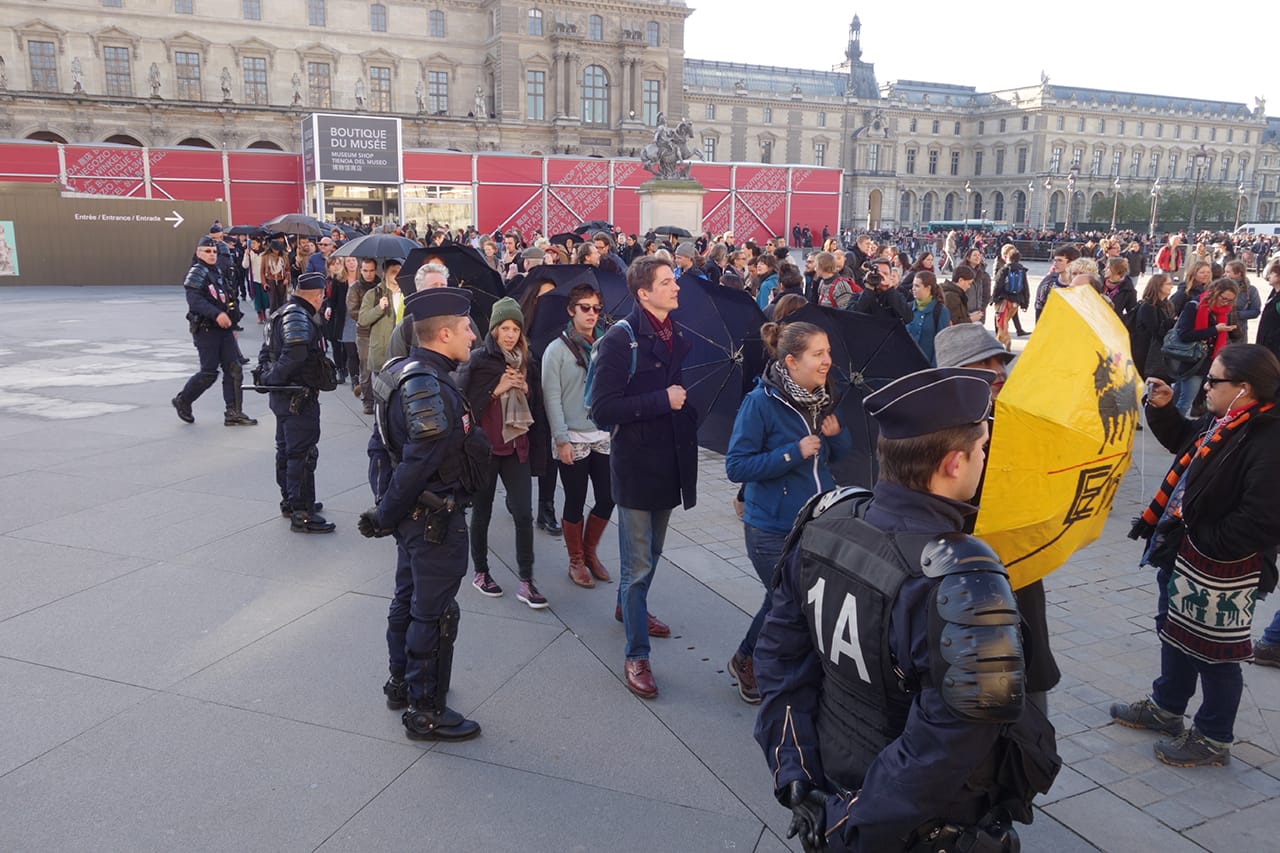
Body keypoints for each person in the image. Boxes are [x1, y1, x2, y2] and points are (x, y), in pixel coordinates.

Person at [754, 367, 1057, 853]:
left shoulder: (825, 521)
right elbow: (945, 750)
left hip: (837, 782)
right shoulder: (960, 580)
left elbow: (779, 659)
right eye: (982, 448)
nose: (986, 458)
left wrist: (796, 772)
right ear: (955, 463)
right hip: (914, 826)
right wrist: (846, 824)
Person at [1114, 344, 1280, 765]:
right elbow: (1185, 442)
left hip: (1221, 566)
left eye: (1214, 380)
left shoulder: (1267, 437)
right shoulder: (1227, 418)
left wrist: (1202, 539)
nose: (1205, 385)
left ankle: (1213, 737)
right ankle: (1166, 706)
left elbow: (1261, 519)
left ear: (1244, 388)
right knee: (1173, 628)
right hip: (1183, 551)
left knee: (1216, 652)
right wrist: (1165, 409)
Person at [359, 287, 490, 741]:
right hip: (433, 519)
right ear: (446, 333)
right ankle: (425, 709)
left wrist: (387, 511)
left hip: (414, 517)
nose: (474, 336)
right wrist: (386, 512)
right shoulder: (425, 383)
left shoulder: (403, 371)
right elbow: (418, 457)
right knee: (433, 615)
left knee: (409, 602)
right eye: (468, 328)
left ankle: (403, 683)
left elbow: (380, 447)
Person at [724, 320, 850, 704]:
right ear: (792, 362)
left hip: (816, 521)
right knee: (788, 601)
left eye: (828, 352)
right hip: (771, 528)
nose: (828, 360)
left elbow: (836, 457)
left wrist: (835, 435)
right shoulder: (760, 403)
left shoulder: (823, 398)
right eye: (818, 354)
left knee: (789, 599)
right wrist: (791, 453)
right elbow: (737, 466)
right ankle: (748, 660)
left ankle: (768, 662)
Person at [589, 256, 698, 699]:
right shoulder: (621, 340)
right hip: (636, 465)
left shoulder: (676, 335)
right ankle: (637, 655)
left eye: (674, 280)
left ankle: (627, 608)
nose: (676, 288)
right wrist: (662, 400)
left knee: (651, 554)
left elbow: (679, 394)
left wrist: (685, 405)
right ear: (643, 293)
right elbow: (601, 409)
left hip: (670, 463)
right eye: (667, 282)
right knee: (637, 566)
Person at [457, 297, 551, 609]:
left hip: (517, 447)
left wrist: (526, 390)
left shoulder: (527, 360)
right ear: (495, 330)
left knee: (524, 514)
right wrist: (495, 389)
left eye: (515, 329)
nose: (510, 334)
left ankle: (527, 580)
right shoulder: (480, 361)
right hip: (487, 449)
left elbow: (537, 404)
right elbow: (463, 404)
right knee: (481, 512)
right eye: (505, 328)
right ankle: (481, 572)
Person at [541, 283, 616, 588]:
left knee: (608, 497)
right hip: (572, 435)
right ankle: (576, 560)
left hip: (603, 432)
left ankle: (589, 551)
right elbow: (552, 398)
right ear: (571, 310)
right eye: (585, 307)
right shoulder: (556, 350)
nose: (591, 314)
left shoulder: (607, 344)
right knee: (575, 498)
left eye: (596, 308)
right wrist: (561, 440)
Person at [261, 271, 337, 533]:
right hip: (297, 398)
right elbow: (293, 356)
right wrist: (272, 378)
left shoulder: (282, 312)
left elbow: (267, 352)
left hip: (285, 397)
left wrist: (267, 377)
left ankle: (292, 502)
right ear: (317, 296)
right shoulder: (297, 315)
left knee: (287, 450)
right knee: (301, 454)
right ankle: (301, 512)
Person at [172, 236, 258, 427]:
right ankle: (183, 400)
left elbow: (227, 297)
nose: (212, 255)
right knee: (209, 372)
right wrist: (216, 314)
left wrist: (232, 319)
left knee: (234, 369)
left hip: (224, 330)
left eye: (214, 252)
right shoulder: (196, 273)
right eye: (207, 251)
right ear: (198, 253)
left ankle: (234, 412)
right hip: (206, 329)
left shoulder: (216, 271)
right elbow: (195, 301)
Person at [1170, 278, 1243, 416]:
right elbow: (1184, 334)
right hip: (1192, 362)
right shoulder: (1195, 305)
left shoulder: (1224, 311)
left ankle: (1168, 428)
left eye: (1230, 300)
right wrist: (1215, 330)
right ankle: (1174, 431)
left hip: (1208, 361)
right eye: (1224, 298)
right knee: (1185, 402)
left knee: (1179, 398)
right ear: (1215, 292)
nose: (1226, 302)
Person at [358, 262, 405, 415]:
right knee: (381, 398)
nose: (396, 275)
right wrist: (379, 308)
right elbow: (363, 319)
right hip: (381, 352)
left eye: (399, 271)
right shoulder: (373, 294)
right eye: (393, 272)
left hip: (401, 351)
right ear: (384, 273)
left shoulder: (407, 293)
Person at [1132, 274, 1177, 381]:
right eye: (1168, 284)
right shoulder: (1148, 306)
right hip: (1146, 353)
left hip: (1161, 353)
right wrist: (1171, 322)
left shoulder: (1168, 304)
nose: (1171, 286)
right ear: (1158, 286)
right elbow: (1156, 332)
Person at [905, 271, 950, 365]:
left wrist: (933, 372)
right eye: (913, 285)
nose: (913, 289)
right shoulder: (907, 308)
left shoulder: (940, 311)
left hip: (927, 369)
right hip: (906, 366)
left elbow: (942, 345)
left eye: (917, 286)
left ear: (928, 288)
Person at [851, 257, 910, 322]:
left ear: (890, 277)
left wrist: (889, 290)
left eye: (885, 274)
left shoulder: (898, 296)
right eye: (877, 273)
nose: (881, 277)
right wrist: (869, 289)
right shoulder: (857, 297)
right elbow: (851, 318)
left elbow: (907, 317)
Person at [991, 248, 1029, 345]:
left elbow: (998, 285)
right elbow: (1025, 287)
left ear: (1008, 257)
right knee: (1006, 320)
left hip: (1004, 299)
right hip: (1016, 301)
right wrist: (1025, 303)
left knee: (1001, 321)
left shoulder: (1004, 269)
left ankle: (1002, 340)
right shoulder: (1022, 271)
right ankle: (1004, 338)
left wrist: (993, 298)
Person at [1257, 260, 1280, 360]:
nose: (1269, 276)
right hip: (1265, 343)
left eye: (1272, 273)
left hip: (1275, 347)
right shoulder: (1274, 293)